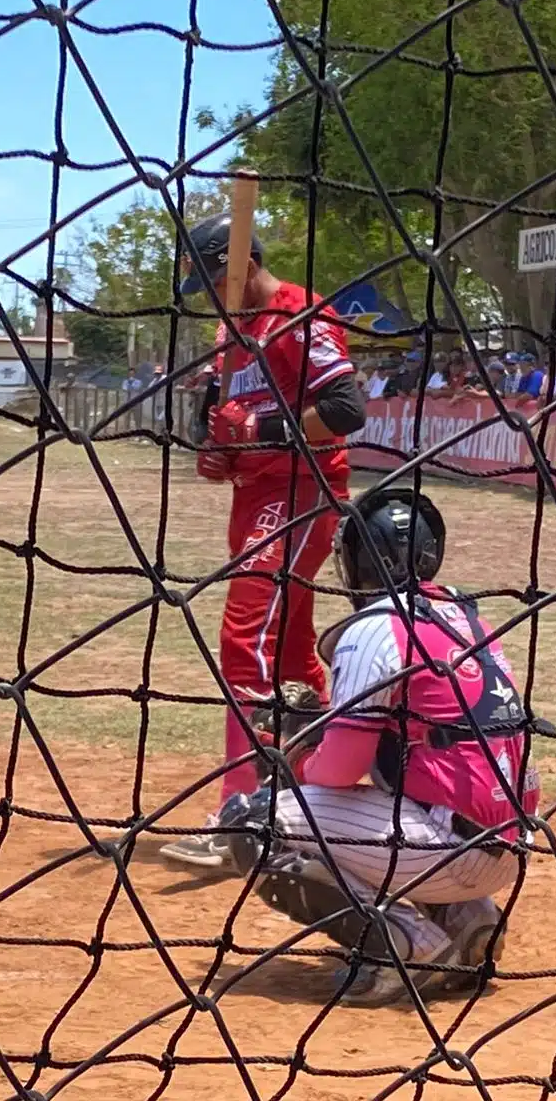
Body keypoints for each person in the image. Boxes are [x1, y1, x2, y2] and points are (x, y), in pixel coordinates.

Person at [215, 488, 541, 1005]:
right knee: (407, 783)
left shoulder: (375, 627)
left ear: (357, 561)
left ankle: (407, 945)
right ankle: (469, 921)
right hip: (507, 846)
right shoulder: (468, 618)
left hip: (443, 850)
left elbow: (342, 771)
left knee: (252, 823)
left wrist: (297, 752)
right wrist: (321, 730)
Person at [159, 211, 368, 871]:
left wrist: (260, 428)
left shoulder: (300, 313)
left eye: (213, 280)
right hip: (257, 500)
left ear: (241, 265)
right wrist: (220, 451)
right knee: (291, 657)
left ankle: (241, 815)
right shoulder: (232, 332)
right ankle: (335, 784)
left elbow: (345, 411)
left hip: (303, 493)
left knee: (243, 636)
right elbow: (223, 421)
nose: (210, 296)